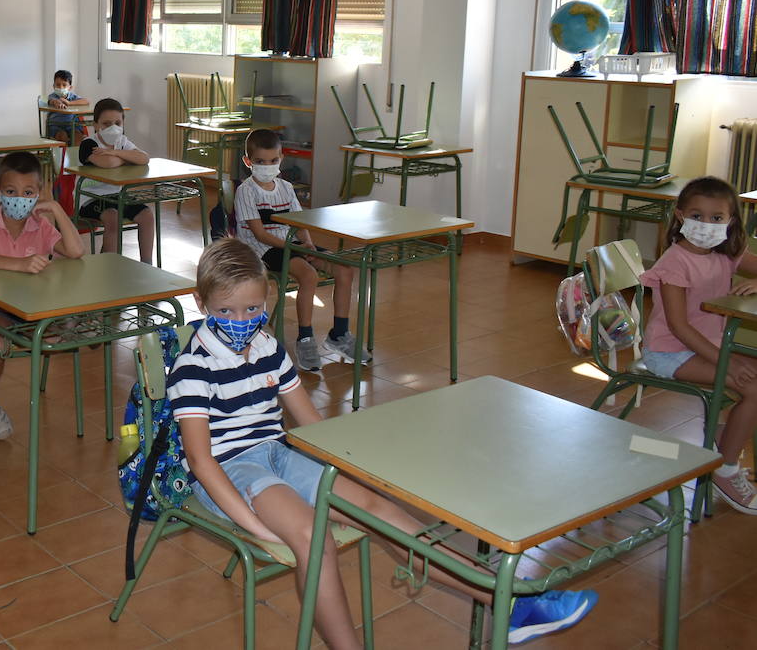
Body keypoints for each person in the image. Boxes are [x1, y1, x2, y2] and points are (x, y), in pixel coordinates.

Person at [168, 239, 598, 648]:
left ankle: (509, 604)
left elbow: (315, 429)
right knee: (309, 536)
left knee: (377, 509)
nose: (241, 322)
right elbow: (202, 462)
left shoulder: (268, 348)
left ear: (268, 300)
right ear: (202, 304)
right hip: (229, 469)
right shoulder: (193, 367)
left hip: (278, 453)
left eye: (252, 309)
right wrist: (252, 523)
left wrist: (355, 476)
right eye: (226, 310)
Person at [638, 175, 757, 513]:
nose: (706, 225)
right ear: (680, 216)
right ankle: (725, 466)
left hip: (708, 346)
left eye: (716, 218)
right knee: (755, 386)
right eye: (697, 216)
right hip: (669, 352)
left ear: (730, 221)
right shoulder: (674, 263)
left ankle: (723, 438)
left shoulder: (726, 252)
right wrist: (727, 363)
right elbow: (679, 327)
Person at [0, 151, 84, 440]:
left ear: (38, 195)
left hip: (32, 308)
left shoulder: (40, 226)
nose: (19, 198)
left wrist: (56, 209)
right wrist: (20, 265)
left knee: (63, 326)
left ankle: (56, 331)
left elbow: (76, 251)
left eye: (28, 192)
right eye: (11, 191)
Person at [234, 128, 362, 370]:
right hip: (263, 249)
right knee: (308, 275)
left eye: (273, 160)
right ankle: (305, 338)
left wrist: (308, 243)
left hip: (291, 243)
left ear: (281, 159)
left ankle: (340, 334)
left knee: (344, 269)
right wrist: (297, 247)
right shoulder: (246, 191)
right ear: (248, 162)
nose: (267, 166)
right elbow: (260, 234)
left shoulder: (286, 188)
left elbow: (300, 222)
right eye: (260, 161)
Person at [78, 98, 154, 262]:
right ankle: (110, 265)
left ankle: (147, 264)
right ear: (96, 125)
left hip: (118, 195)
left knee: (147, 216)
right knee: (113, 217)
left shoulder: (122, 141)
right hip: (90, 199)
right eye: (106, 124)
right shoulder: (89, 143)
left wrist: (114, 152)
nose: (113, 128)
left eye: (117, 123)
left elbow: (144, 158)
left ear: (123, 123)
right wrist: (126, 158)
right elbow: (108, 164)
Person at [45, 69, 86, 143]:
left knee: (78, 138)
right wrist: (56, 102)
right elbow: (51, 101)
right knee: (62, 136)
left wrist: (69, 103)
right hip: (56, 125)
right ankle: (65, 152)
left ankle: (75, 153)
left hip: (72, 125)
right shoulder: (52, 96)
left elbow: (86, 101)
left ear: (70, 87)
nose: (61, 87)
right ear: (53, 86)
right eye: (58, 85)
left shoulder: (73, 97)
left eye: (64, 85)